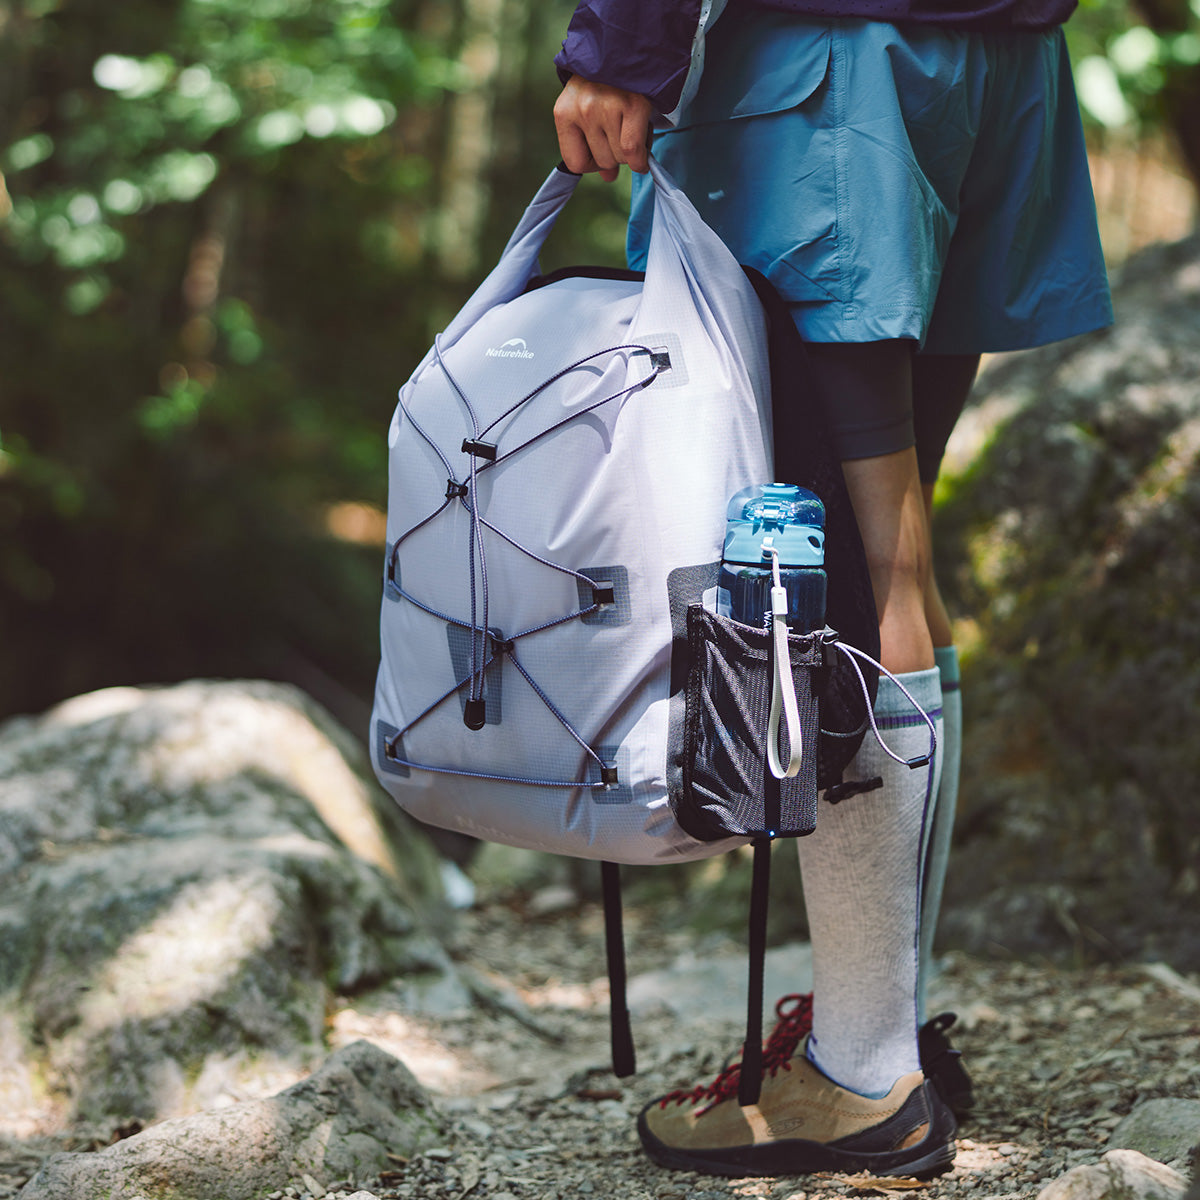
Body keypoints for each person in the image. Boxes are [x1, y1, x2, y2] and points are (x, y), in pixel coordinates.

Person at [553, 0, 1113, 1181]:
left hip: (831, 71)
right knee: (893, 557)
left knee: (834, 574)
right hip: (995, 62)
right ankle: (886, 1029)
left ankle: (863, 1075)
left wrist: (616, 47)